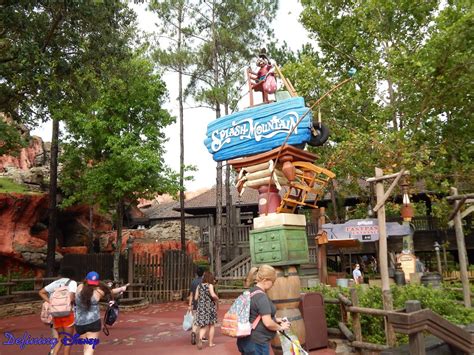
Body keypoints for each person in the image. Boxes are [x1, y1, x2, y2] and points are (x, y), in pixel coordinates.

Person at [237, 265, 290, 355]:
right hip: (258, 342)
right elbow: (268, 323)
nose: (273, 285)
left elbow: (254, 315)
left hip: (245, 339)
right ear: (265, 280)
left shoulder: (250, 292)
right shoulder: (261, 297)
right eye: (272, 281)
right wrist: (281, 327)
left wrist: (276, 319)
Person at [74, 271, 128, 355]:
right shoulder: (99, 292)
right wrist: (121, 289)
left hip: (79, 323)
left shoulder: (79, 287)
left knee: (86, 346)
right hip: (93, 323)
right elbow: (111, 291)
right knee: (90, 349)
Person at [39, 267, 77, 355]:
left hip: (56, 314)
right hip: (67, 313)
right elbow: (71, 298)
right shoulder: (72, 283)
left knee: (60, 337)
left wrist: (50, 302)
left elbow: (41, 292)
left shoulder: (55, 283)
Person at [194, 271, 219, 350]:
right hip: (209, 307)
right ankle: (210, 343)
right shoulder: (210, 285)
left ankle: (200, 339)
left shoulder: (199, 286)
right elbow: (212, 294)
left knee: (203, 325)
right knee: (211, 325)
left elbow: (195, 298)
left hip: (201, 307)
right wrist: (217, 298)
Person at [188, 266, 205, 345]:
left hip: (195, 303)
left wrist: (189, 305)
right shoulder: (205, 281)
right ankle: (202, 336)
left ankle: (194, 333)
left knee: (195, 319)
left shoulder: (193, 282)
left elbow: (191, 295)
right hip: (204, 303)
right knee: (203, 320)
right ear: (203, 273)